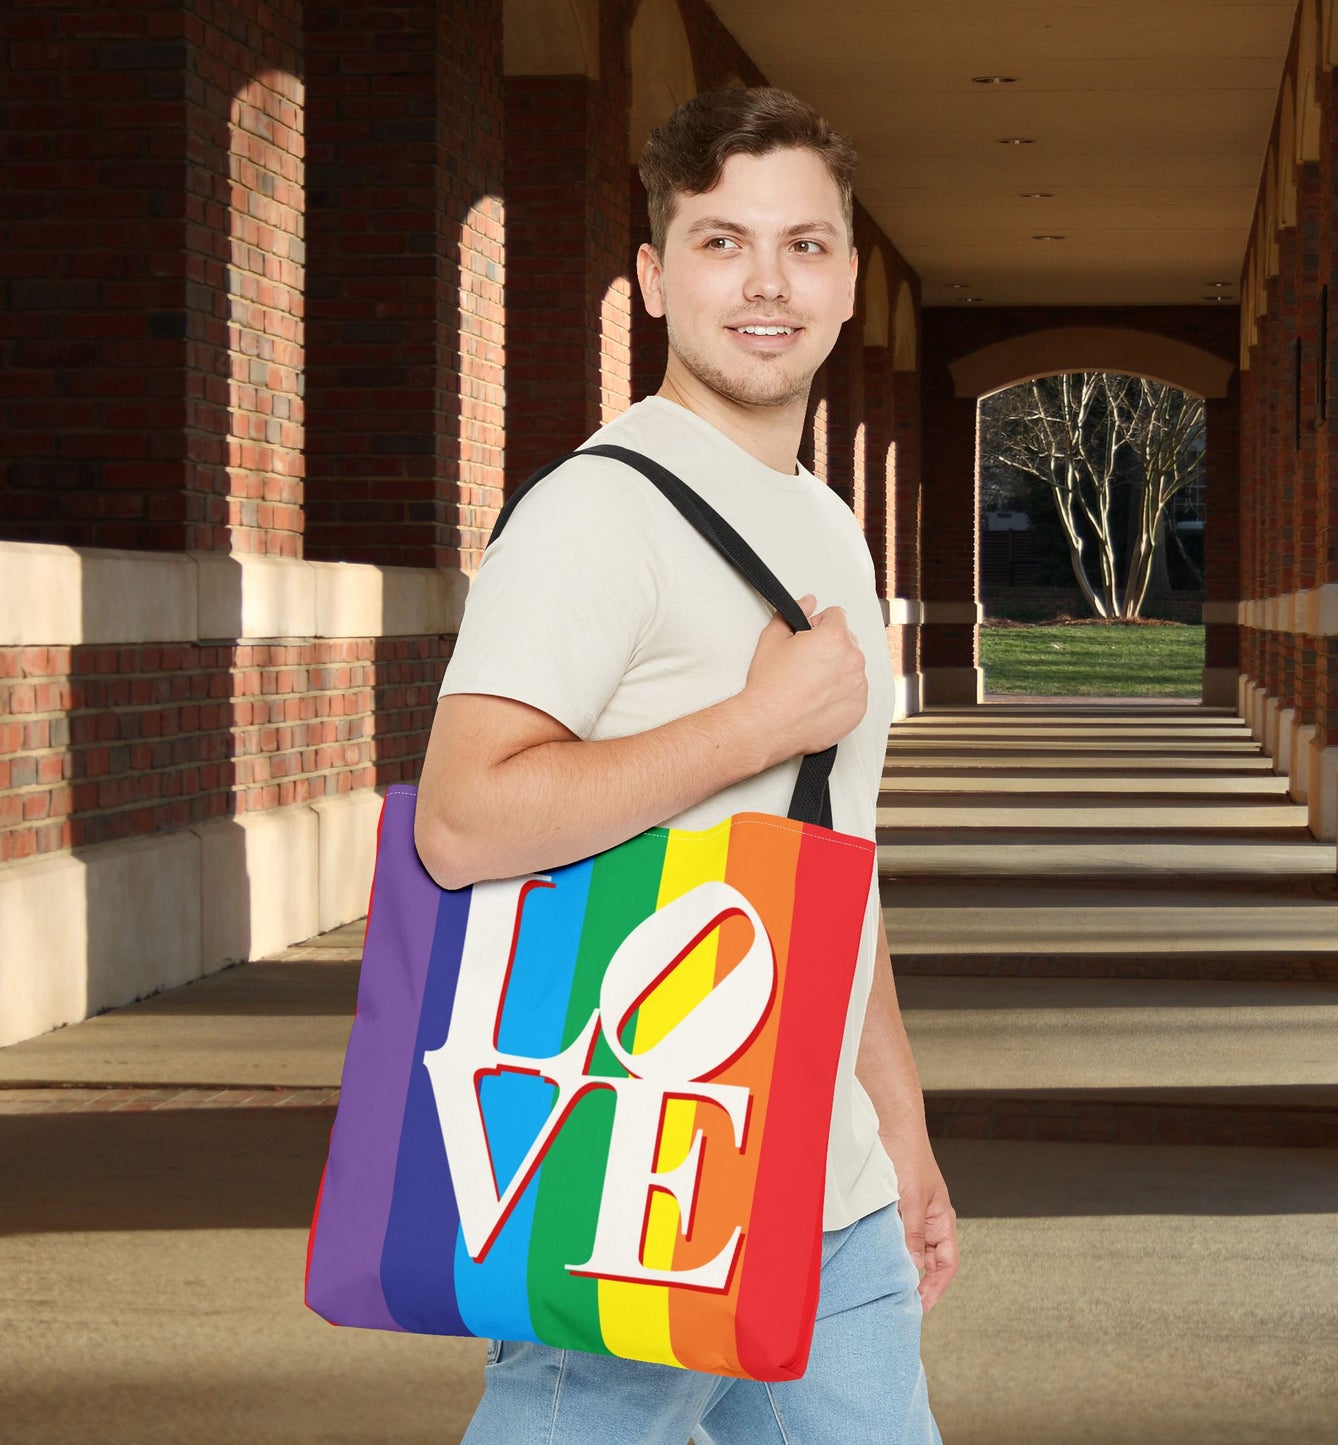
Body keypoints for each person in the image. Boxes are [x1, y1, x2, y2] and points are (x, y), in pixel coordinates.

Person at [415, 83, 956, 1445]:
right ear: (655, 279)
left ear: (840, 284)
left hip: (827, 1202)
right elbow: (463, 821)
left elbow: (836, 854)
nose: (764, 283)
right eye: (721, 243)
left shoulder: (823, 524)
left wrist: (898, 1131)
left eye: (803, 245)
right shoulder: (595, 511)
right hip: (640, 1177)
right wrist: (750, 724)